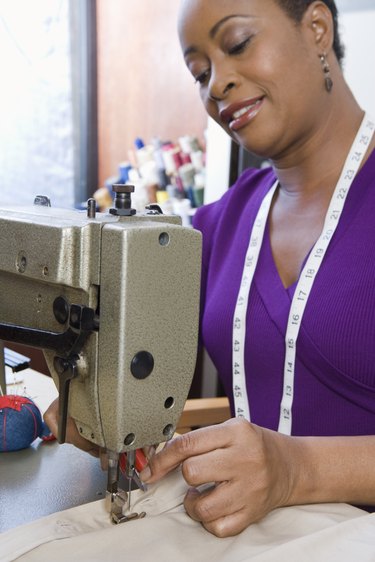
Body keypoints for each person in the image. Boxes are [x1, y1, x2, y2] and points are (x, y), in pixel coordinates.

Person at [45, 0, 375, 540]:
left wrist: (297, 469)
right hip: (255, 535)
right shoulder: (222, 223)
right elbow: (140, 352)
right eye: (200, 73)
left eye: (238, 43)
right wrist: (100, 409)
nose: (217, 85)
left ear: (317, 28)